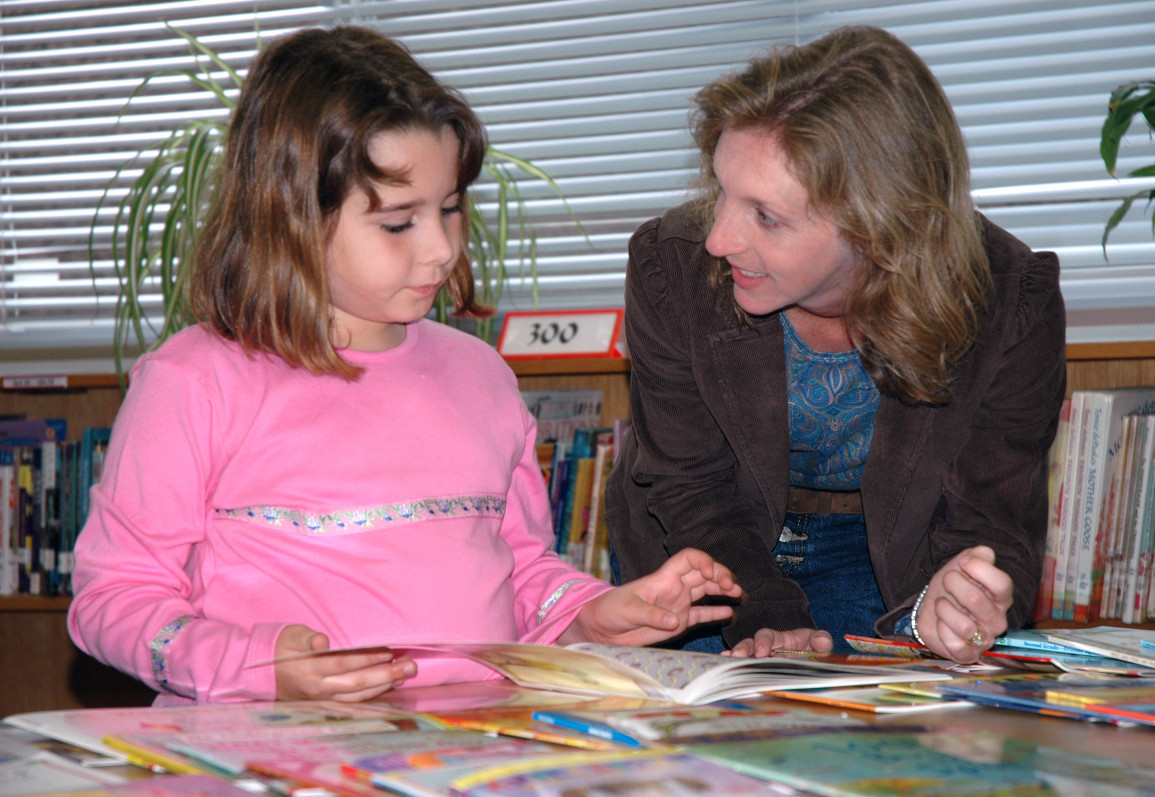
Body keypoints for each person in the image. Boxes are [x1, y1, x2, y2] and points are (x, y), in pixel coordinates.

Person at [66, 25, 743, 706]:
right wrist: (252, 663)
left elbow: (524, 571)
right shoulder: (195, 380)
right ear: (291, 216)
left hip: (473, 750)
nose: (440, 249)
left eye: (449, 209)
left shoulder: (480, 374)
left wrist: (593, 612)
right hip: (270, 754)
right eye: (398, 223)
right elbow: (112, 599)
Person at [604, 25, 1065, 663]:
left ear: (879, 223)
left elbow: (991, 518)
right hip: (700, 545)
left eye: (766, 216)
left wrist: (955, 603)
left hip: (887, 554)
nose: (717, 239)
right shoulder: (669, 264)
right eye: (722, 192)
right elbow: (688, 483)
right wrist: (765, 612)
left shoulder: (1011, 300)